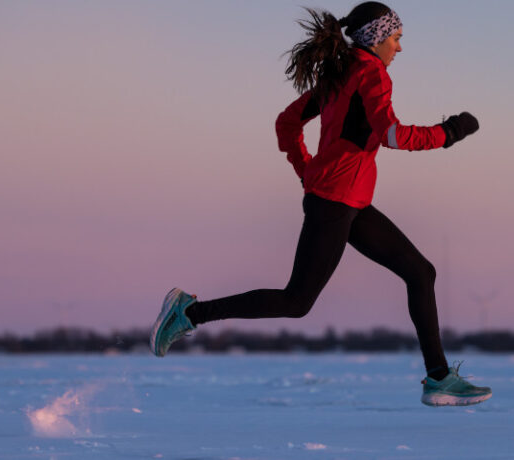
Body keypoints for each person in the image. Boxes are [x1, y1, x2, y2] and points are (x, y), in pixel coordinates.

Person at [150, 1, 491, 407]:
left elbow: (287, 122)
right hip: (334, 201)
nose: (400, 48)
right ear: (377, 38)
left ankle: (438, 378)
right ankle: (189, 312)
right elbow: (393, 135)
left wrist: (307, 170)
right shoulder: (370, 74)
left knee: (421, 272)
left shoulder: (340, 73)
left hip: (349, 200)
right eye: (397, 39)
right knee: (297, 301)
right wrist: (449, 132)